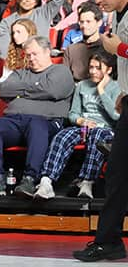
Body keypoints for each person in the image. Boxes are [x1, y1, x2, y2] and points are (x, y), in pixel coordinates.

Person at [73, 0, 128, 261]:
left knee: (119, 174)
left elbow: (125, 51)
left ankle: (109, 239)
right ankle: (108, 240)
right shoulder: (118, 14)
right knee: (117, 174)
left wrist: (120, 49)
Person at [0, 35, 75, 197]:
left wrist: (21, 92)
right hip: (15, 121)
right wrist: (36, 88)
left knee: (36, 124)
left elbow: (53, 90)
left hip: (47, 122)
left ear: (47, 52)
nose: (31, 59)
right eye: (28, 55)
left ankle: (30, 179)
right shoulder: (20, 73)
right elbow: (4, 90)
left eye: (35, 54)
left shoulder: (61, 71)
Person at [36, 53, 120, 200]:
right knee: (62, 136)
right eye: (91, 67)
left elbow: (115, 115)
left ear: (109, 70)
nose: (93, 71)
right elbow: (73, 113)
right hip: (83, 126)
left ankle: (87, 182)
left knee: (97, 136)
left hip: (105, 130)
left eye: (98, 68)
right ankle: (46, 181)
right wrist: (81, 121)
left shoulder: (116, 88)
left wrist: (101, 89)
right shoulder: (82, 85)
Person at [0, 0, 66, 57]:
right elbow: (4, 51)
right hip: (18, 60)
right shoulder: (7, 22)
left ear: (36, 1)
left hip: (42, 59)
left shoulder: (44, 13)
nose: (28, 0)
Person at [64, 2, 107, 80]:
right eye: (81, 22)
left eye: (88, 21)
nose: (84, 26)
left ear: (99, 23)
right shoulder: (71, 49)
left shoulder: (108, 47)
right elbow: (65, 79)